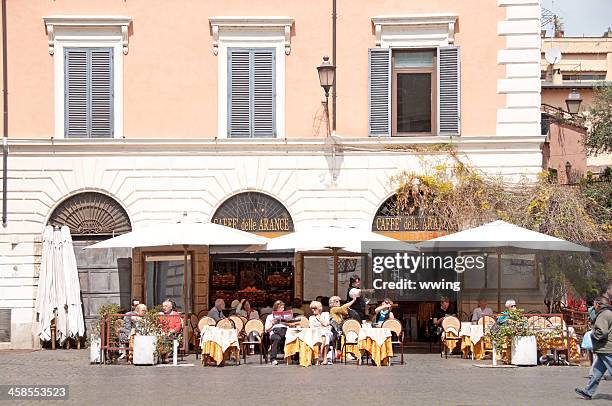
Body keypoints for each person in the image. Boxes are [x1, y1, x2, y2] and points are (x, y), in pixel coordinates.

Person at [575, 296, 612, 400]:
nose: (593, 307)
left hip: (606, 348)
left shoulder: (603, 315)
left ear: (598, 304)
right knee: (596, 372)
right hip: (604, 348)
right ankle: (588, 392)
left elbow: (601, 332)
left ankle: (588, 392)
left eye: (594, 304)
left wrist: (592, 334)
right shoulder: (608, 313)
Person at [264, 300, 299, 365]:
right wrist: (272, 324)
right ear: (276, 308)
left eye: (283, 308)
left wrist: (288, 323)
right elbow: (266, 329)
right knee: (277, 338)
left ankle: (296, 357)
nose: (282, 309)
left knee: (295, 337)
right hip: (274, 332)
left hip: (286, 331)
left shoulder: (285, 315)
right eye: (281, 308)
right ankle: (273, 359)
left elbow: (292, 325)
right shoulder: (270, 317)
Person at [308, 300, 334, 365]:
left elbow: (326, 324)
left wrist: (319, 318)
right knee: (325, 336)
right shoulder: (311, 317)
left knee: (325, 335)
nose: (313, 310)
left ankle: (320, 353)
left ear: (319, 308)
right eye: (312, 308)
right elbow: (312, 327)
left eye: (315, 308)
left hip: (327, 332)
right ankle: (324, 357)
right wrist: (322, 326)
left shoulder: (325, 314)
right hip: (316, 334)